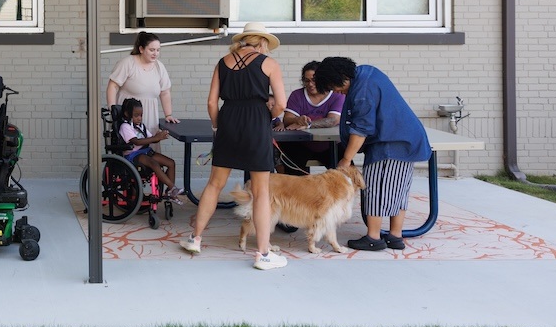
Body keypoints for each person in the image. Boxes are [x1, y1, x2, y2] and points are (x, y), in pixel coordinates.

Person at [181, 22, 288, 270]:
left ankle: (195, 239)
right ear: (262, 42)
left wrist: (218, 128)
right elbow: (281, 103)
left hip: (228, 120)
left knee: (214, 184)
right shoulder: (269, 64)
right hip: (256, 123)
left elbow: (211, 103)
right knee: (262, 192)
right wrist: (269, 118)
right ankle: (263, 254)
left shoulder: (223, 62)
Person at [312, 57, 431, 252]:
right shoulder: (366, 73)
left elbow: (362, 128)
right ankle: (395, 236)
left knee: (375, 188)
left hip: (390, 143)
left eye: (335, 87)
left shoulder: (362, 90)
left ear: (341, 77)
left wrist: (346, 159)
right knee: (398, 190)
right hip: (405, 139)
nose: (337, 92)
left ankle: (373, 238)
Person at [106, 32, 180, 157]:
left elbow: (165, 92)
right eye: (151, 50)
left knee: (150, 147)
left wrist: (168, 114)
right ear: (141, 49)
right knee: (131, 147)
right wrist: (113, 109)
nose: (155, 53)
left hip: (150, 115)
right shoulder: (128, 63)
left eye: (158, 50)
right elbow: (112, 86)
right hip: (129, 114)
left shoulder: (159, 67)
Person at [273, 61, 344, 176]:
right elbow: (287, 119)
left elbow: (333, 120)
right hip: (302, 145)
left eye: (314, 80)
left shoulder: (336, 95)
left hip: (330, 146)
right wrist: (297, 120)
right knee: (293, 171)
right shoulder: (297, 95)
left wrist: (308, 124)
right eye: (307, 80)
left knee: (347, 172)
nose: (311, 84)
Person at [117, 98, 181, 200]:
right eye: (136, 115)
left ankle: (169, 192)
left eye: (141, 115)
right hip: (133, 155)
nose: (139, 118)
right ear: (127, 114)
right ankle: (172, 187)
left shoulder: (141, 126)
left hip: (145, 152)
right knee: (154, 164)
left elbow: (151, 139)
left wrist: (159, 136)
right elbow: (136, 141)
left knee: (170, 163)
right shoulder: (125, 127)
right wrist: (154, 138)